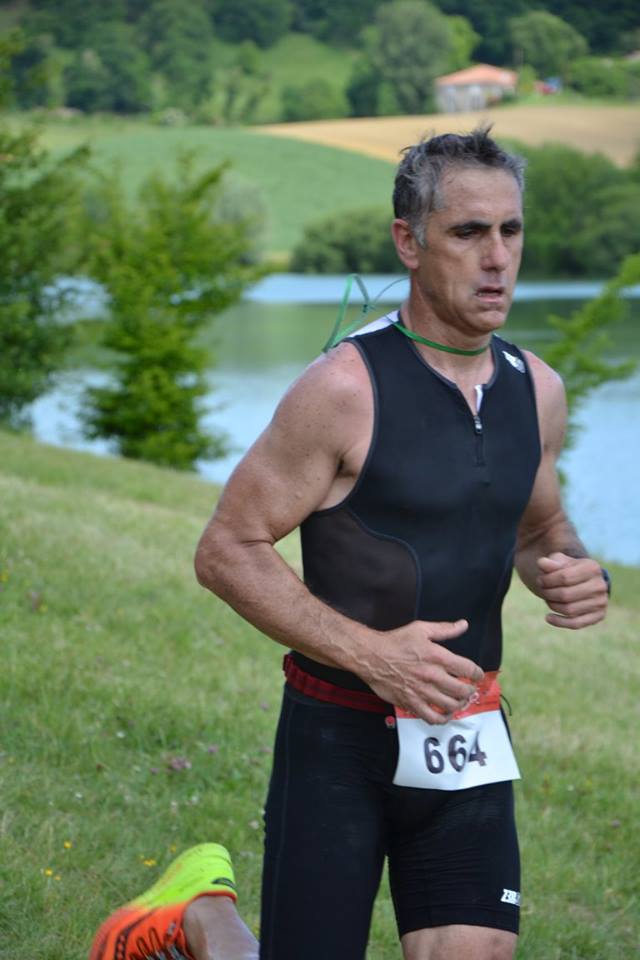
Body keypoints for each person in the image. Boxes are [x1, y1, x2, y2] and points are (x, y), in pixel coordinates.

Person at [91, 128, 610, 960]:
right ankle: (203, 919)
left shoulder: (535, 389)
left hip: (466, 729)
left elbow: (538, 525)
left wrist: (572, 570)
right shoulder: (343, 388)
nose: (497, 259)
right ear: (409, 241)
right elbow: (227, 549)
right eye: (468, 232)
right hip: (339, 737)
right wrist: (372, 655)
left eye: (510, 231)